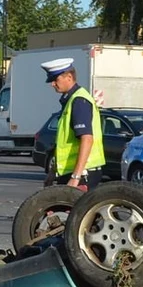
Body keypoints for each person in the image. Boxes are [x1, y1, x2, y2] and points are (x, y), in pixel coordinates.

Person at [41, 57, 105, 190]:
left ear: (69, 77)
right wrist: (52, 173)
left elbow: (87, 139)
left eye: (55, 79)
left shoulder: (79, 101)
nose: (52, 84)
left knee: (76, 210)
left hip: (83, 173)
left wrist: (76, 177)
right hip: (74, 171)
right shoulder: (70, 100)